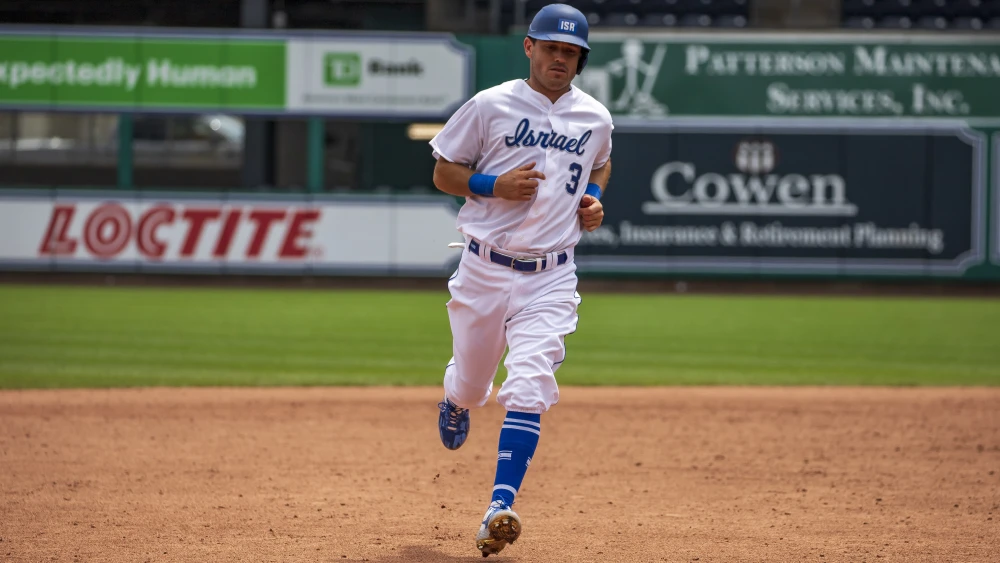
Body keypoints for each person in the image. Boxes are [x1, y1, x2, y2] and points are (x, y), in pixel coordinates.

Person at [428, 3, 613, 557]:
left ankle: (498, 507)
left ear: (580, 59)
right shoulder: (490, 105)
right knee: (473, 384)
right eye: (551, 47)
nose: (560, 58)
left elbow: (600, 163)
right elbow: (442, 171)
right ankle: (455, 395)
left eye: (571, 51)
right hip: (485, 267)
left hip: (552, 275)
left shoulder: (595, 118)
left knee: (530, 383)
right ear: (529, 47)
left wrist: (594, 200)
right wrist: (492, 184)